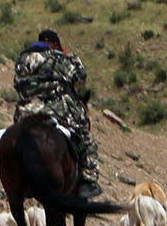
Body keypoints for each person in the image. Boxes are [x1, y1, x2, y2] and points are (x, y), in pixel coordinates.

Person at [14, 29, 101, 198]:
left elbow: (17, 84)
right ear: (53, 44)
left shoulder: (22, 59)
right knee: (86, 138)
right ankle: (88, 181)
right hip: (55, 110)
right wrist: (71, 58)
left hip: (24, 112)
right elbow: (79, 78)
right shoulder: (57, 57)